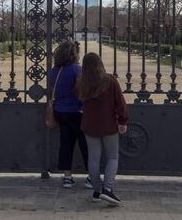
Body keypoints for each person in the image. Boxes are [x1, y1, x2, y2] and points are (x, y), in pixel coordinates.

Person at [76, 52, 128, 205]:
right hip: (109, 125)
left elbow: (78, 99)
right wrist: (123, 120)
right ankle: (108, 189)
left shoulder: (81, 83)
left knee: (93, 158)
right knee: (112, 157)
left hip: (89, 125)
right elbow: (121, 102)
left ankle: (97, 190)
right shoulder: (110, 81)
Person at [49, 40, 91, 189]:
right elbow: (82, 90)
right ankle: (91, 177)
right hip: (76, 111)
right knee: (85, 144)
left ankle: (67, 177)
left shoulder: (54, 70)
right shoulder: (77, 70)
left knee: (66, 143)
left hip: (59, 111)